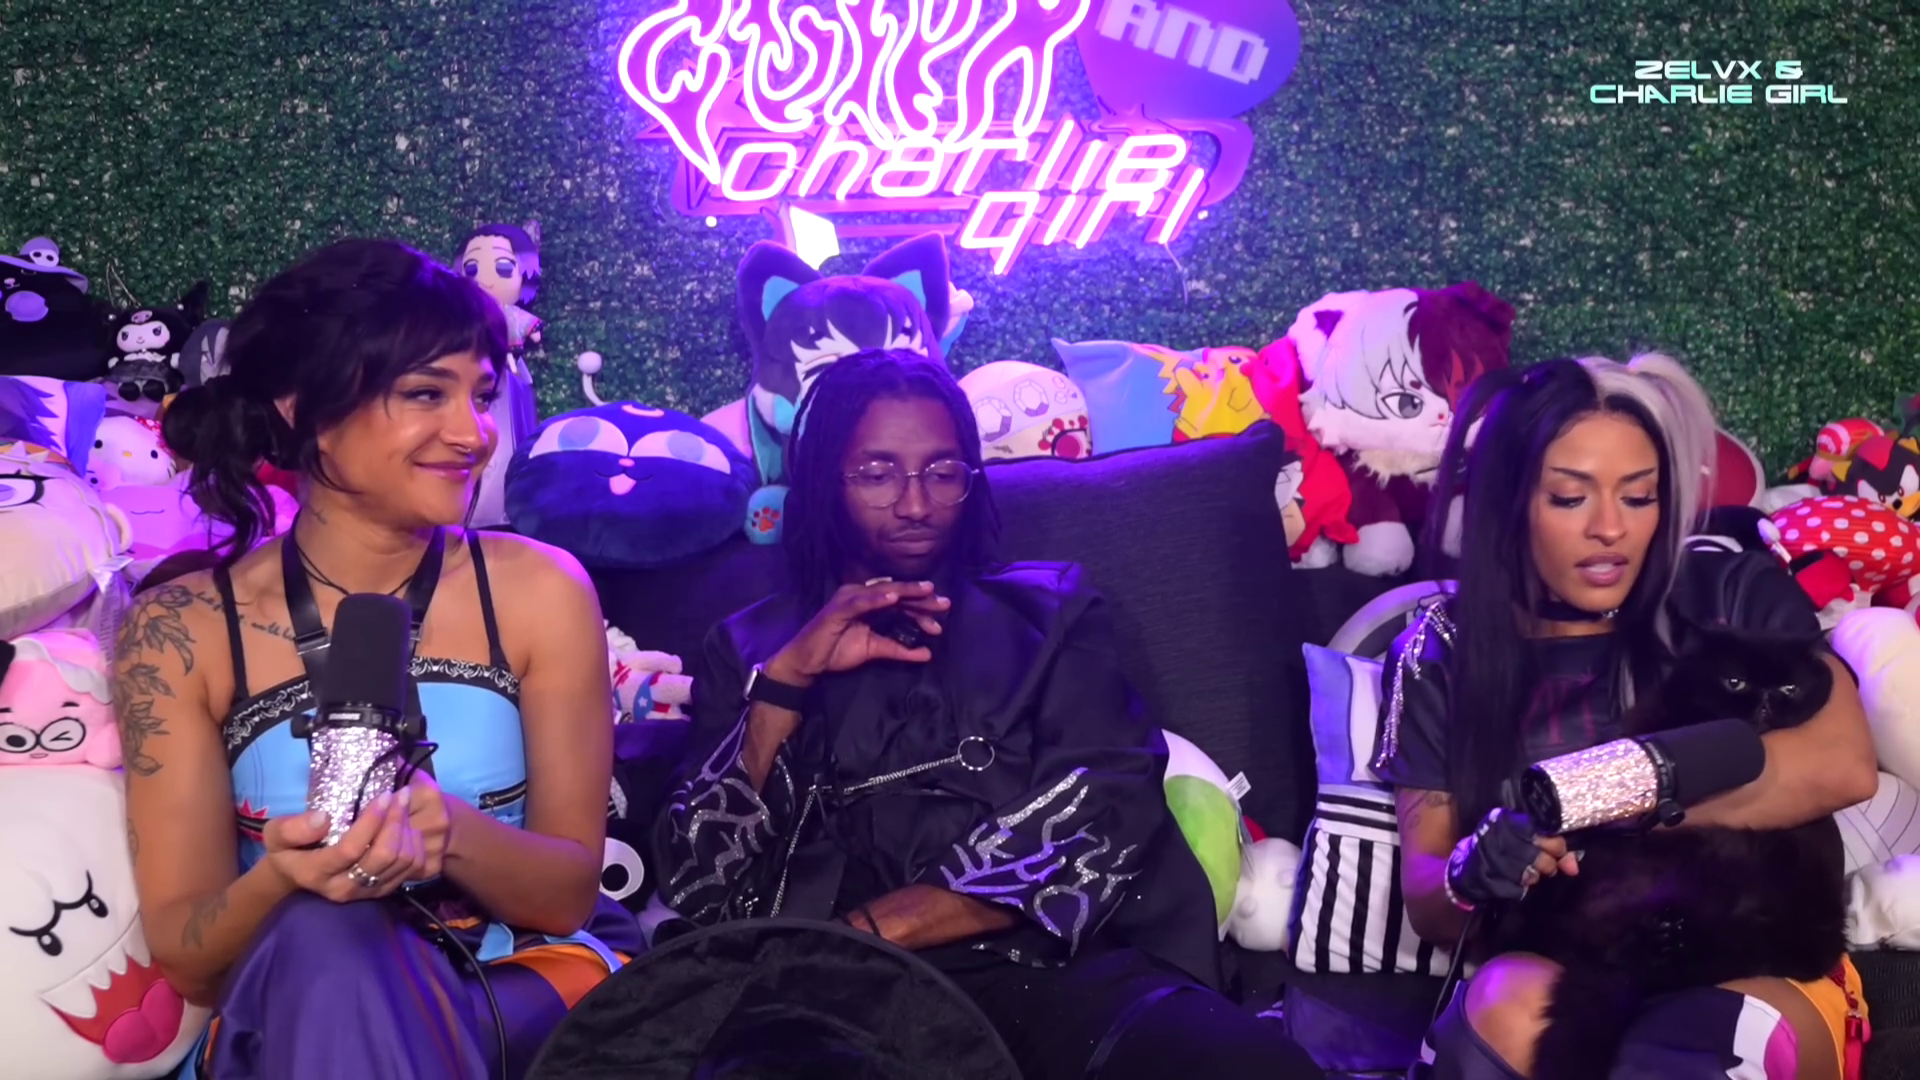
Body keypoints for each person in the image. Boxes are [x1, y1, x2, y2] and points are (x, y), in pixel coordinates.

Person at [653, 348, 1325, 1079]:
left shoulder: (1050, 612)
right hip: (829, 1004)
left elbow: (1106, 798)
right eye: (877, 473)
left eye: (943, 472)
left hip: (1051, 971)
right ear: (822, 481)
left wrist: (873, 928)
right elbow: (699, 882)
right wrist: (784, 685)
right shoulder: (751, 647)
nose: (916, 504)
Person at [114, 238, 642, 1079]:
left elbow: (568, 893)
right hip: (296, 1008)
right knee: (328, 934)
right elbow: (188, 955)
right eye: (427, 393)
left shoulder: (541, 590)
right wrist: (286, 877)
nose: (472, 434)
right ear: (303, 409)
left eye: (482, 396)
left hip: (518, 989)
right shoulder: (181, 628)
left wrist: (449, 832)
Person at [1378, 355, 1878, 1079]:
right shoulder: (1443, 650)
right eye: (1569, 498)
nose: (1611, 528)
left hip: (1759, 951)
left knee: (1710, 1041)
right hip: (1576, 955)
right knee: (1504, 1013)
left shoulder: (1728, 590)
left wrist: (1593, 801)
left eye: (1639, 497)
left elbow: (1843, 763)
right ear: (1508, 503)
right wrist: (1472, 871)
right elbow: (1429, 898)